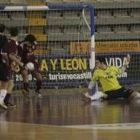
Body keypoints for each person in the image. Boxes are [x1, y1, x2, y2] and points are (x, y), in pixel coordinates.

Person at [3, 27, 24, 108]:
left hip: (3, 64)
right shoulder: (14, 43)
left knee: (4, 83)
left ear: (10, 33)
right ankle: (5, 101)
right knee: (10, 84)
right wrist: (19, 63)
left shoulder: (6, 41)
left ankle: (4, 101)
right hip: (7, 65)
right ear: (17, 34)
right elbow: (11, 55)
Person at [18, 34, 42, 99]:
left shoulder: (34, 43)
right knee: (25, 74)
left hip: (32, 62)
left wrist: (36, 63)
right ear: (26, 41)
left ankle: (37, 90)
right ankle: (26, 90)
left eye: (32, 43)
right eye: (29, 43)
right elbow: (19, 57)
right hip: (24, 62)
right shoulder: (21, 46)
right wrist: (20, 64)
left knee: (39, 77)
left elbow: (33, 51)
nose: (31, 45)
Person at [0, 24, 10, 109]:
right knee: (5, 82)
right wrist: (7, 62)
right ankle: (1, 99)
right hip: (0, 63)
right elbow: (4, 53)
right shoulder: (4, 38)